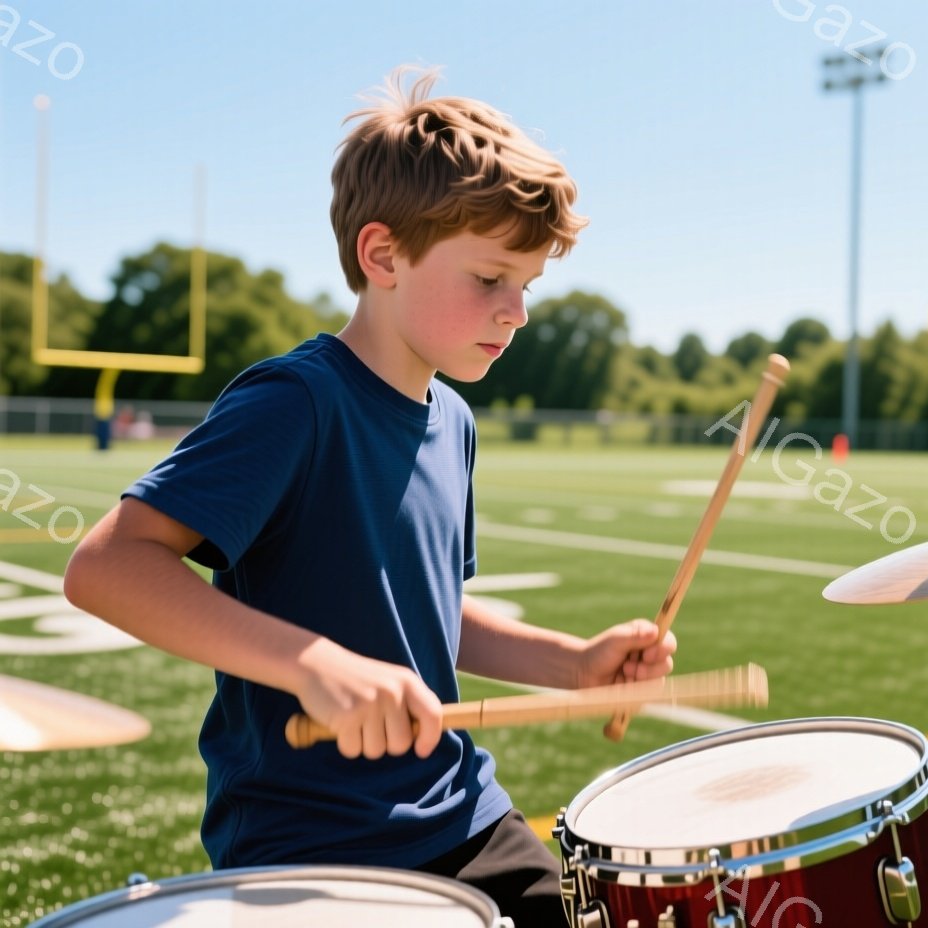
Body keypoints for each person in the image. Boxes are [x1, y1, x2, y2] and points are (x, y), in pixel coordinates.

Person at [62, 66, 675, 927]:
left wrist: (570, 664)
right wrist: (316, 667)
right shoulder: (295, 402)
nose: (518, 312)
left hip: (462, 809)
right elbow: (105, 567)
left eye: (527, 286)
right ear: (382, 254)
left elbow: (428, 614)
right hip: (308, 845)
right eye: (491, 278)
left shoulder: (452, 419)